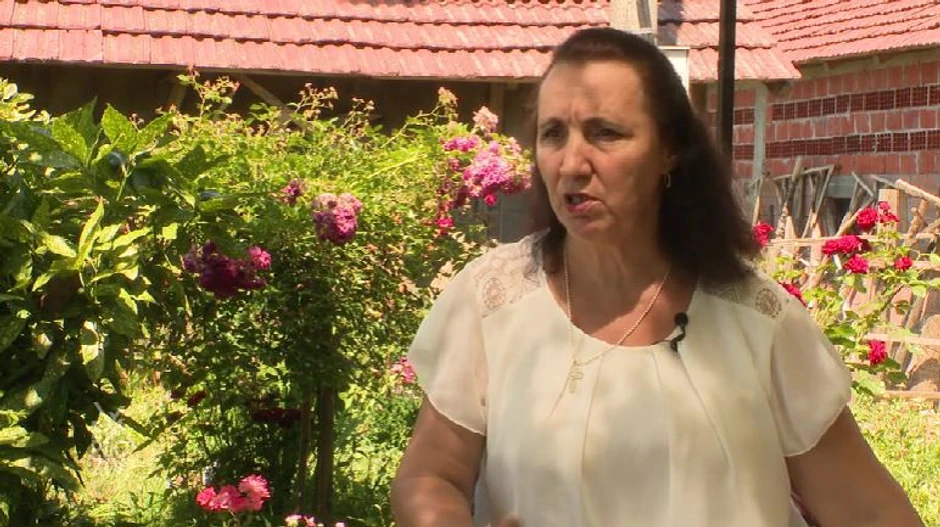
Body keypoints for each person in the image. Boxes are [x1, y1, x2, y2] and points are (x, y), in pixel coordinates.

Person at [390, 27, 925, 527]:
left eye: (605, 133)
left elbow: (871, 513)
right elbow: (430, 477)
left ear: (669, 150)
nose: (572, 164)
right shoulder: (493, 300)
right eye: (553, 134)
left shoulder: (757, 323)